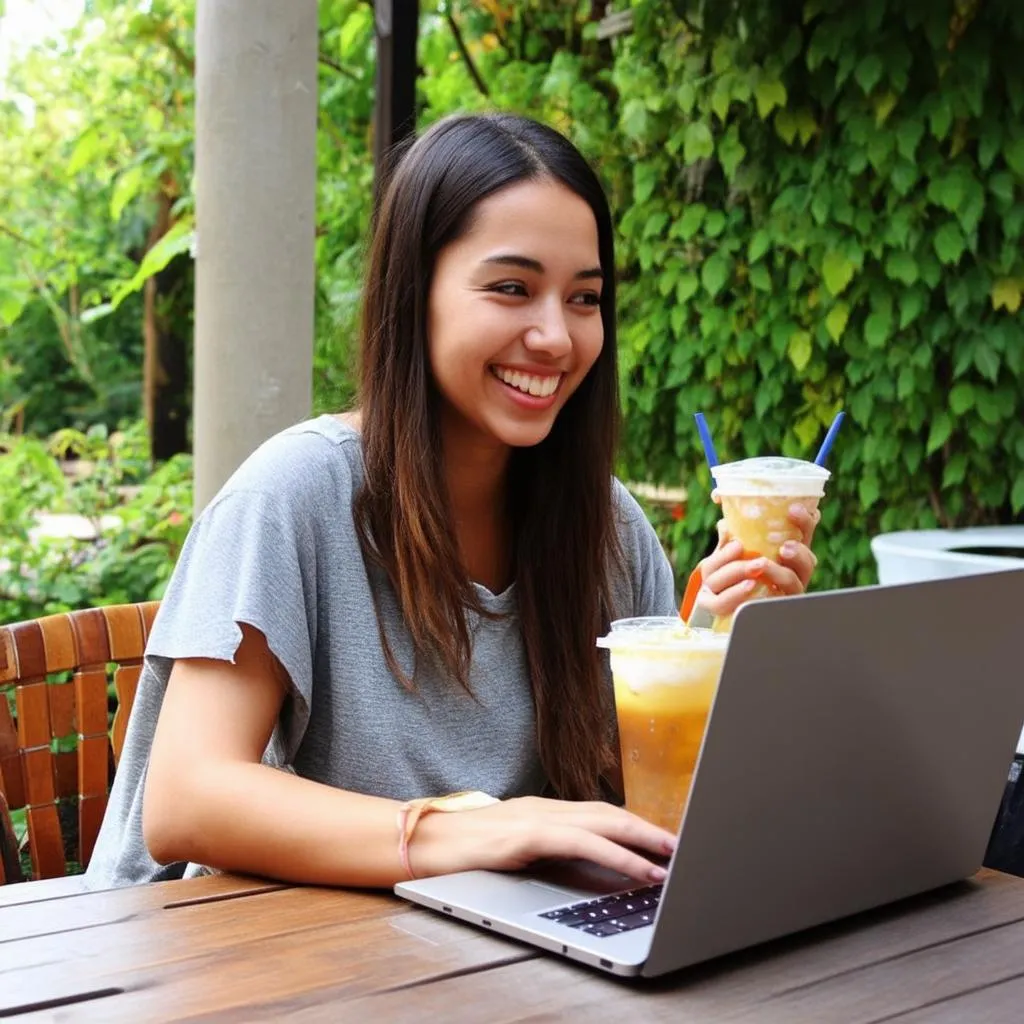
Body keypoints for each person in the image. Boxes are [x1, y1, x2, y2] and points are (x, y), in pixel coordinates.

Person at [85, 112, 819, 891]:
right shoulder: (292, 498)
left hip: (483, 963)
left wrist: (716, 640)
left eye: (584, 297)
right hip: (229, 965)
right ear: (415, 293)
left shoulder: (607, 532)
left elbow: (643, 810)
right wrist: (473, 830)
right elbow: (187, 800)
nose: (557, 338)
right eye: (512, 288)